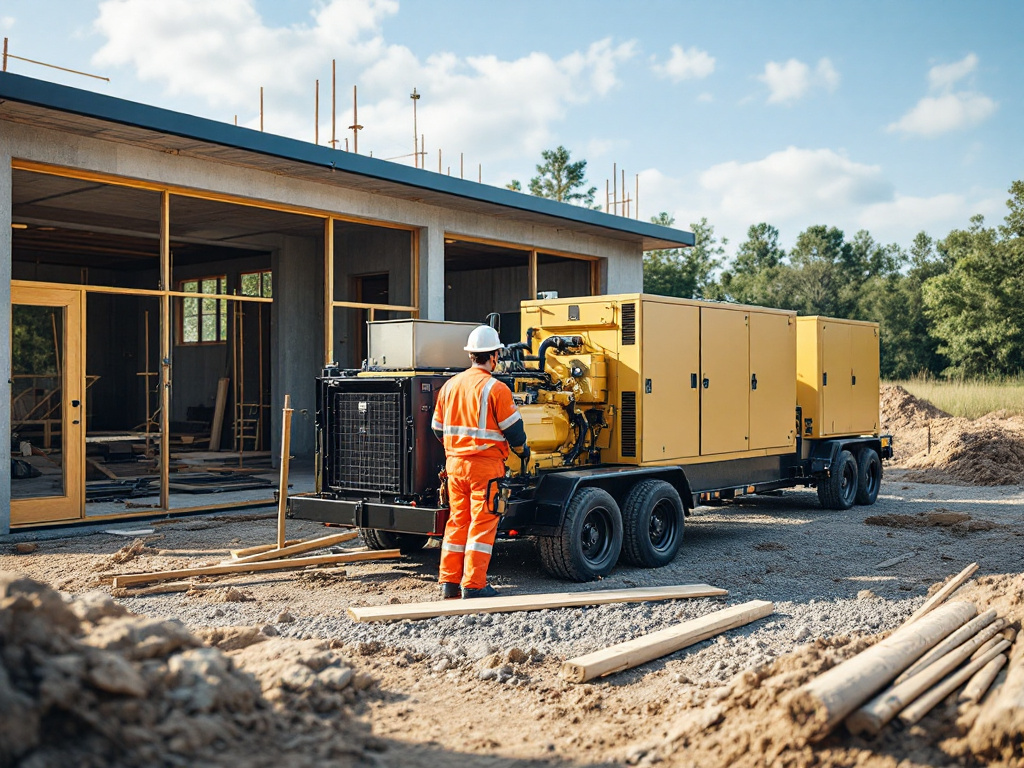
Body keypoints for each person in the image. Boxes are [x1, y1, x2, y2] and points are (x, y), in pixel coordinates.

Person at [431, 325, 530, 599]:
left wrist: (456, 448)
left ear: (471, 355)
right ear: (494, 355)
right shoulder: (495, 389)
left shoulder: (449, 386)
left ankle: (449, 583)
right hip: (484, 468)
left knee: (457, 522)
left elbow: (437, 429)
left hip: (455, 466)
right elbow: (515, 432)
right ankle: (474, 585)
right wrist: (523, 452)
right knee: (482, 524)